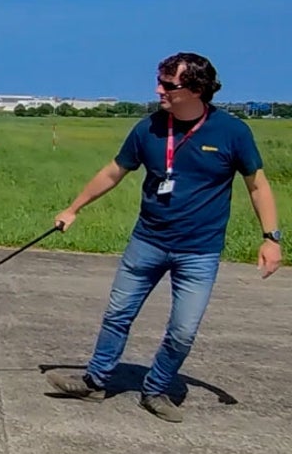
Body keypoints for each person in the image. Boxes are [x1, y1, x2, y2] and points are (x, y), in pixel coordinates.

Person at [46, 52, 281, 423]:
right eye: (160, 81)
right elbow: (113, 172)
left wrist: (271, 238)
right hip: (148, 242)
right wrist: (73, 208)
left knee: (183, 330)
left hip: (199, 253)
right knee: (118, 314)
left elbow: (258, 186)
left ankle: (156, 389)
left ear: (196, 89)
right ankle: (95, 380)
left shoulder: (233, 133)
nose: (158, 90)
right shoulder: (148, 128)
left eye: (168, 85)